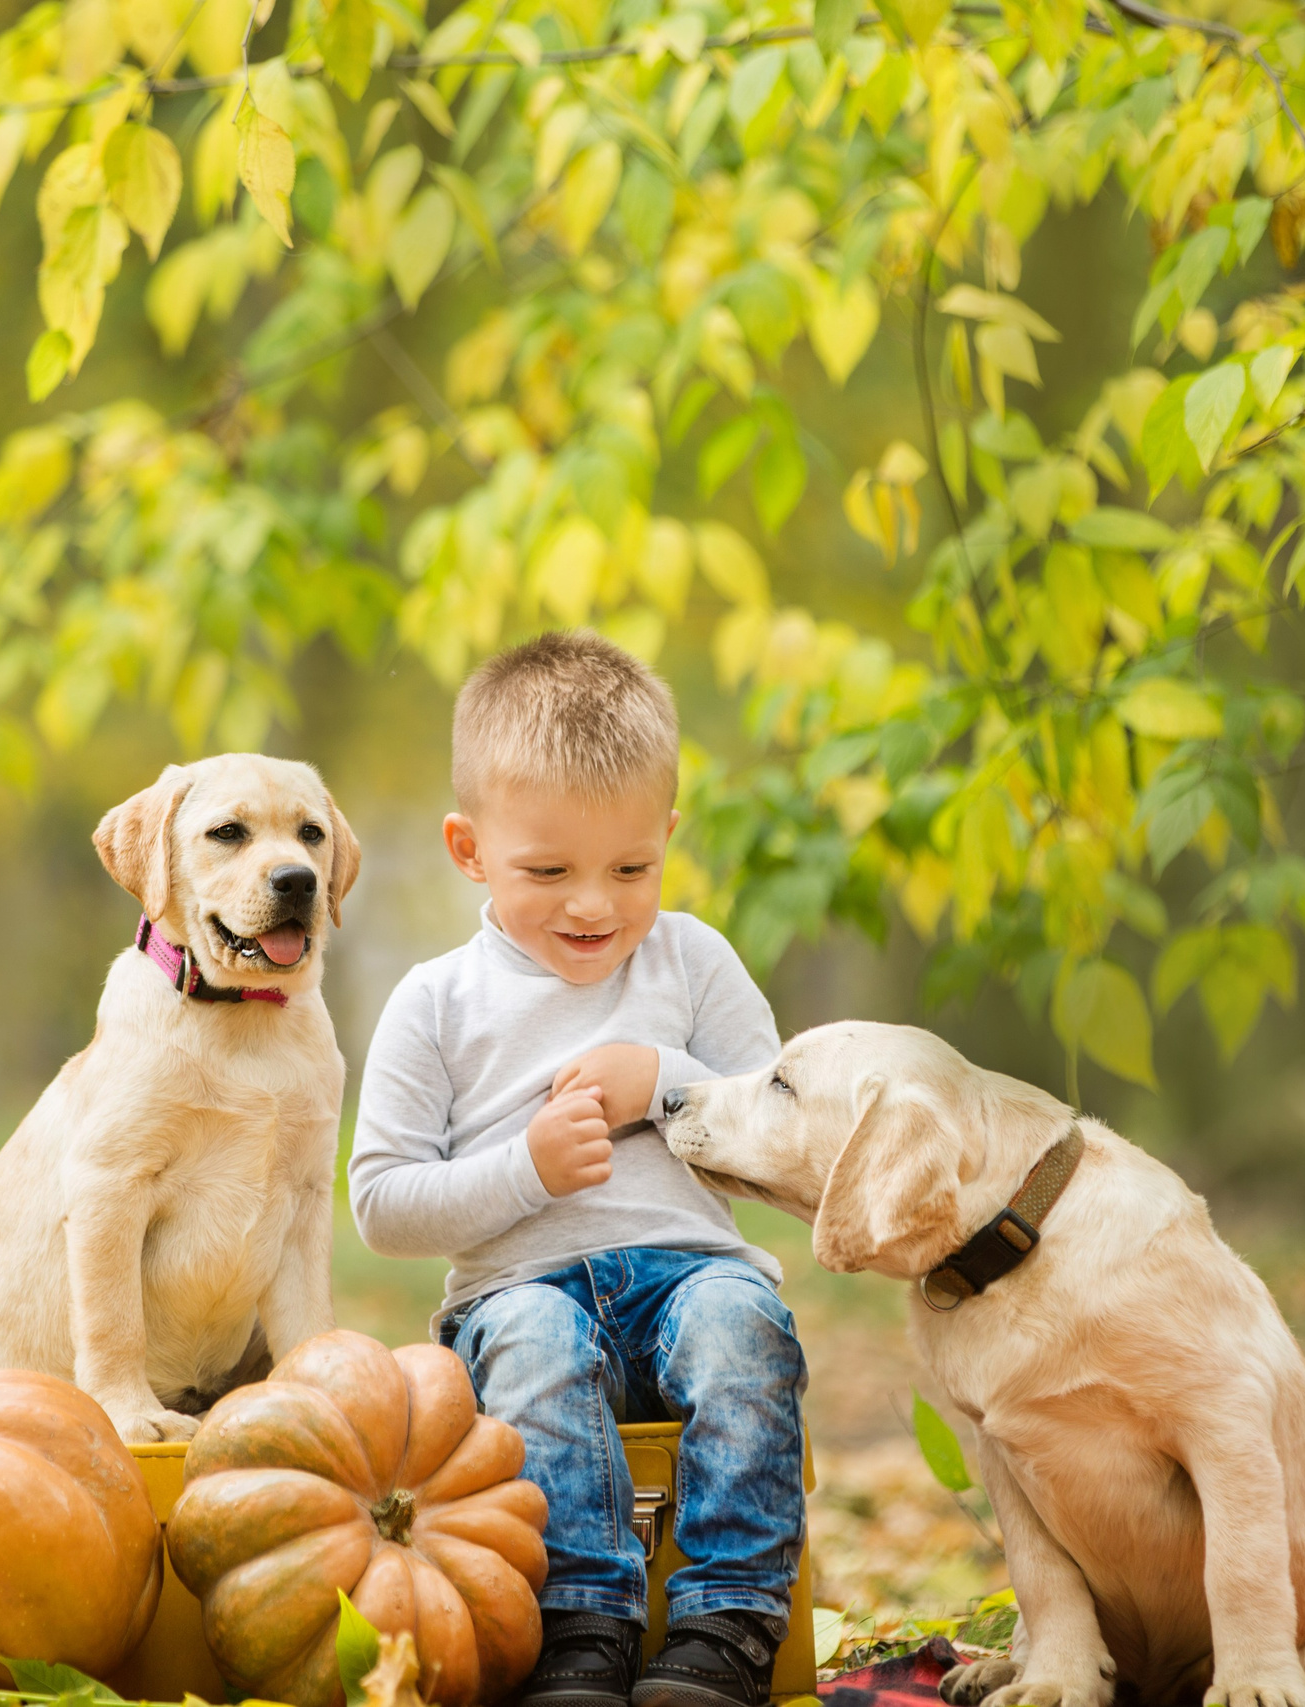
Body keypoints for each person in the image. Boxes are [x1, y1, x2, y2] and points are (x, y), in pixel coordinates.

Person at [349, 632, 805, 1707]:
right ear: (468, 848)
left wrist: (665, 1085)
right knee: (539, 1351)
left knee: (744, 1328)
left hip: (692, 1276)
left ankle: (728, 1623)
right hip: (517, 1293)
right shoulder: (436, 1001)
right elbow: (380, 1204)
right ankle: (581, 1631)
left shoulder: (693, 960)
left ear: (667, 838)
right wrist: (527, 1171)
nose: (593, 905)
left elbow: (788, 1143)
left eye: (631, 868)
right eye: (547, 871)